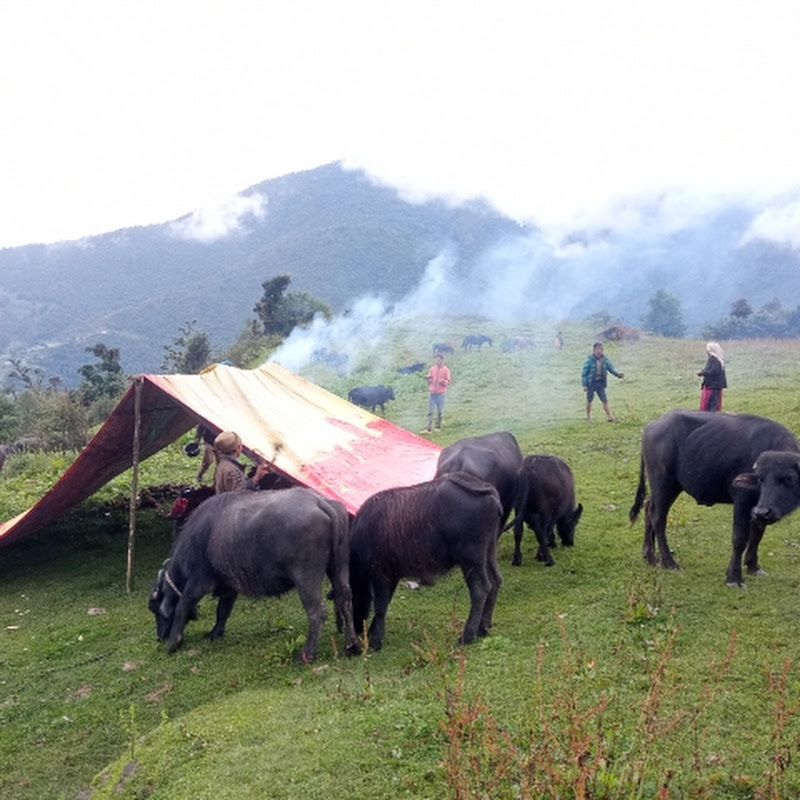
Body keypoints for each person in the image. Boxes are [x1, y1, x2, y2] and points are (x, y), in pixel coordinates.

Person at [581, 342, 625, 421]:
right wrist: (584, 385)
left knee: (604, 400)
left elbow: (611, 369)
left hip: (600, 383)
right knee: (589, 400)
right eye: (597, 349)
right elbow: (584, 373)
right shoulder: (589, 360)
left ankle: (610, 417)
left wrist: (618, 375)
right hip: (591, 383)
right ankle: (588, 417)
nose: (599, 351)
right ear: (594, 350)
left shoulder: (605, 360)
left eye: (600, 349)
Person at [422, 352, 451, 433]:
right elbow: (429, 381)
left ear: (442, 360)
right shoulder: (432, 369)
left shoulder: (446, 370)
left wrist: (442, 382)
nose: (437, 361)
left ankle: (438, 427)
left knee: (439, 411)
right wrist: (428, 379)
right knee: (430, 411)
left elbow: (448, 382)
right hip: (432, 392)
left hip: (440, 393)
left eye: (438, 360)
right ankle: (428, 428)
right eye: (436, 360)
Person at [697, 341, 727, 411]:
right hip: (716, 386)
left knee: (710, 403)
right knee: (714, 403)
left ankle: (710, 418)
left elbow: (714, 371)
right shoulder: (719, 360)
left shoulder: (713, 359)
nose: (706, 351)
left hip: (712, 386)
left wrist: (703, 372)